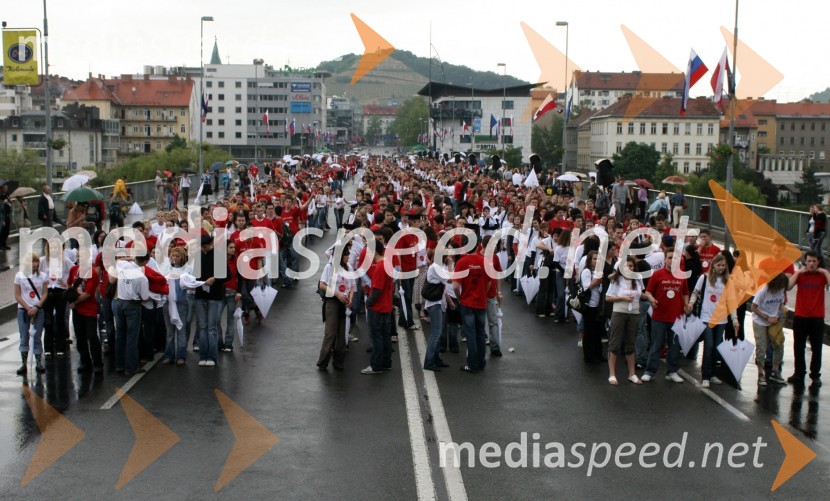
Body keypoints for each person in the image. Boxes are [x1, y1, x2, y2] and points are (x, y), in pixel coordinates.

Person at [688, 254, 741, 388]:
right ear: (713, 265)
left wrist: (734, 319)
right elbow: (695, 292)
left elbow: (731, 301)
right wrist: (691, 304)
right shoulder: (704, 278)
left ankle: (712, 375)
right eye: (719, 265)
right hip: (706, 317)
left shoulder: (728, 281)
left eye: (723, 265)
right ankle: (705, 376)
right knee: (709, 345)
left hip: (721, 319)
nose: (721, 268)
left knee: (717, 347)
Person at [642, 250, 688, 383]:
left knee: (674, 346)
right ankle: (650, 371)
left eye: (675, 258)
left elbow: (685, 293)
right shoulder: (657, 274)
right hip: (659, 316)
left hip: (676, 317)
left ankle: (672, 372)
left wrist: (686, 305)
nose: (672, 260)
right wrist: (651, 299)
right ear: (665, 260)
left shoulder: (682, 276)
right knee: (656, 345)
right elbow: (648, 292)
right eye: (670, 257)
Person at [787, 251, 830, 388]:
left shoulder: (822, 275)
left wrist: (825, 271)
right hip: (801, 316)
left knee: (816, 348)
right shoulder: (800, 275)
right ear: (805, 262)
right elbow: (788, 287)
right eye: (809, 261)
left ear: (818, 262)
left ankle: (815, 375)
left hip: (817, 317)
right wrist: (798, 272)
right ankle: (799, 373)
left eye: (814, 261)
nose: (811, 264)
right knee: (798, 347)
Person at [454, 235, 491, 373]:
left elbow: (455, 286)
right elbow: (488, 282)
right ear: (479, 245)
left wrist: (459, 298)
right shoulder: (485, 261)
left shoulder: (462, 262)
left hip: (467, 302)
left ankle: (472, 364)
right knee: (481, 334)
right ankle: (481, 362)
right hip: (481, 302)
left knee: (471, 335)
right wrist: (483, 293)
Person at [605, 256, 645, 385]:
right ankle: (612, 374)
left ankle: (632, 373)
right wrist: (622, 298)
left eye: (631, 266)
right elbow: (608, 298)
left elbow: (640, 294)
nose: (629, 268)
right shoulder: (616, 280)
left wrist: (649, 297)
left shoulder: (638, 279)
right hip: (619, 312)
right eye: (626, 266)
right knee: (615, 342)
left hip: (634, 313)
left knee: (630, 343)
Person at [316, 243, 355, 370]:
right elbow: (322, 285)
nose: (348, 257)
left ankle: (339, 362)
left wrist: (350, 299)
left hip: (344, 303)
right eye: (345, 255)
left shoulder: (349, 267)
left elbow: (352, 286)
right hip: (332, 302)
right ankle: (323, 362)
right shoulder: (330, 267)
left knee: (342, 334)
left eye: (348, 254)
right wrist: (337, 294)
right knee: (330, 333)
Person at [751, 273, 788, 386]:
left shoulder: (781, 290)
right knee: (761, 347)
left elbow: (780, 303)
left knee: (779, 344)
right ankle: (761, 374)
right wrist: (767, 317)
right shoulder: (763, 290)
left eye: (783, 285)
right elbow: (753, 307)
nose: (781, 287)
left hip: (774, 320)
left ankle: (775, 371)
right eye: (780, 285)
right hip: (760, 321)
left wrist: (783, 309)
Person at [14, 253, 48, 375]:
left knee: (37, 336)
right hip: (24, 309)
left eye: (36, 262)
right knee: (24, 336)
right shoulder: (19, 276)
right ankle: (24, 363)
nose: (35, 264)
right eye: (32, 262)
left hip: (38, 309)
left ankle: (38, 362)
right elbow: (17, 295)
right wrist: (28, 308)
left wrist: (37, 306)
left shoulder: (43, 276)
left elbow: (44, 293)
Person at [363, 240, 393, 375]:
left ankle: (376, 365)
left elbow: (376, 290)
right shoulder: (386, 264)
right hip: (386, 305)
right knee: (385, 336)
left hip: (377, 307)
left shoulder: (380, 267)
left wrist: (368, 302)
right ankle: (386, 362)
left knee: (377, 337)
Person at [67, 260, 103, 373]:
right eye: (78, 256)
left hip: (89, 310)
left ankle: (97, 363)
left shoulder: (92, 273)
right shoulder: (73, 270)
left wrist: (75, 302)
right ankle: (85, 361)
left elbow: (87, 293)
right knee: (80, 337)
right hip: (77, 311)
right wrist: (70, 294)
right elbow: (68, 283)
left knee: (92, 336)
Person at [194, 235, 225, 367]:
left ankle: (212, 356)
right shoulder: (198, 256)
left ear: (211, 244)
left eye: (205, 246)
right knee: (202, 326)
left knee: (211, 327)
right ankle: (203, 355)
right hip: (200, 294)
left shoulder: (218, 255)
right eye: (201, 247)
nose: (203, 249)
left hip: (214, 296)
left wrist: (215, 278)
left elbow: (226, 275)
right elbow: (194, 273)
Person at [423, 248, 452, 371]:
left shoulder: (436, 267)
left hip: (437, 303)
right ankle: (429, 362)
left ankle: (435, 359)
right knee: (436, 333)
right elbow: (450, 279)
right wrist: (450, 265)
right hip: (434, 304)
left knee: (438, 333)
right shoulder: (435, 267)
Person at [580, 250, 605, 364]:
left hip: (597, 305)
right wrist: (597, 280)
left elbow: (599, 290)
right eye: (594, 259)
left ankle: (598, 354)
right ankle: (589, 356)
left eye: (598, 259)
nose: (596, 261)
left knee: (597, 331)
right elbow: (586, 287)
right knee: (589, 332)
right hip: (589, 305)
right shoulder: (587, 272)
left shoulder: (597, 272)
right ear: (589, 260)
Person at [0, 183, 11, 250]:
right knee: (2, 230)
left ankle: (4, 243)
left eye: (6, 188)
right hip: (2, 215)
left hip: (7, 214)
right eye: (5, 188)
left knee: (7, 230)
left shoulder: (7, 195)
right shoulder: (1, 196)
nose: (6, 189)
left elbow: (10, 203)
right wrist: (4, 202)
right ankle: (1, 244)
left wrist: (9, 201)